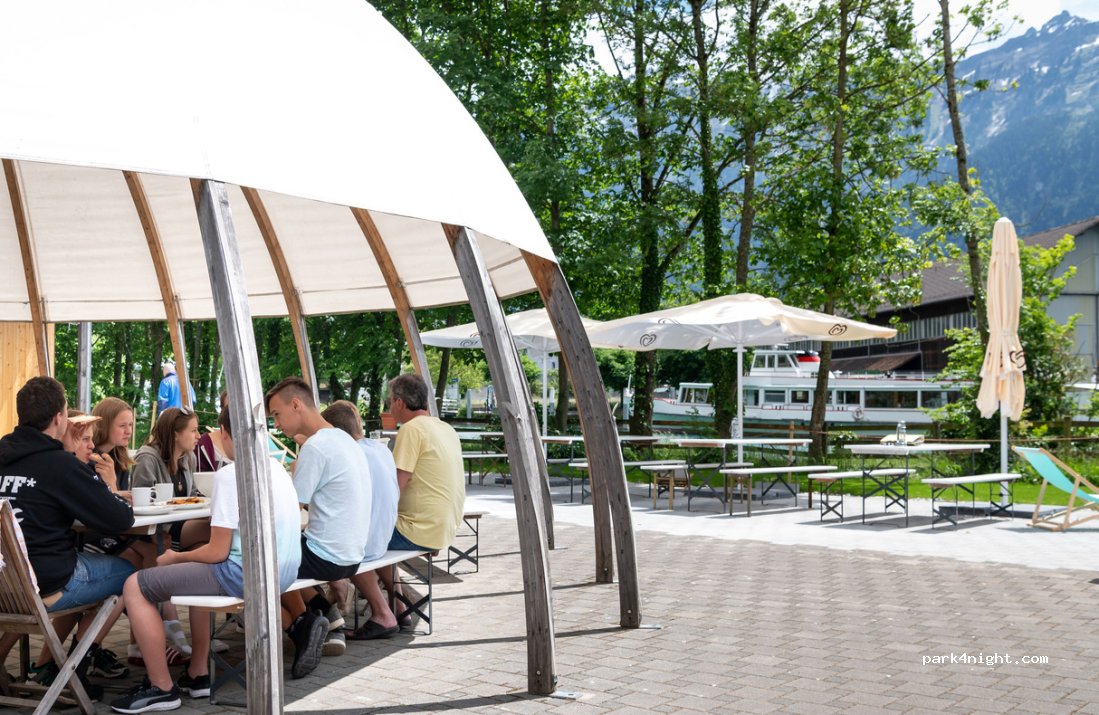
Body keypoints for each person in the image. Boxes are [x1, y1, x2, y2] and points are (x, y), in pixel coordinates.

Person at [110, 405, 303, 714]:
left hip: (244, 574)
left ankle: (161, 688)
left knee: (135, 586)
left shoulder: (230, 474)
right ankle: (198, 673)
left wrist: (176, 557)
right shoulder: (277, 468)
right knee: (198, 566)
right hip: (284, 572)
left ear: (223, 432)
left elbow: (217, 552)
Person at [0, 377, 136, 690]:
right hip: (46, 585)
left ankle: (48, 664)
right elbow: (119, 519)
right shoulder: (58, 464)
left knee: (87, 572)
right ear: (59, 417)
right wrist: (109, 486)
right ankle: (73, 670)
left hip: (5, 585)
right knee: (130, 574)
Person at [265, 377, 372, 678]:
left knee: (255, 558)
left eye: (276, 414)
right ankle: (322, 614)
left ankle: (303, 625)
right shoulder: (344, 440)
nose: (276, 424)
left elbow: (289, 509)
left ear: (295, 404)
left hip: (326, 556)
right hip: (353, 556)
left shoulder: (316, 447)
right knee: (279, 551)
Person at [374, 374, 464, 626]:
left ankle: (381, 612)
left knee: (359, 539)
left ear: (400, 402)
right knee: (376, 534)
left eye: (390, 401)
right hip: (443, 528)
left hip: (418, 530)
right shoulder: (446, 428)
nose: (389, 407)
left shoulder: (411, 430)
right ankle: (399, 605)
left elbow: (396, 486)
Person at [321, 401, 399, 645]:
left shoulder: (349, 455)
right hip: (385, 536)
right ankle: (400, 605)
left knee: (329, 548)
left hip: (366, 544)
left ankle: (382, 614)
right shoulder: (380, 449)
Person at [131, 407, 205, 661]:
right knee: (211, 532)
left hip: (177, 526)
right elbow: (140, 501)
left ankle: (200, 637)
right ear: (175, 434)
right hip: (154, 530)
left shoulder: (187, 458)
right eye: (193, 430)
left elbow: (192, 495)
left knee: (206, 546)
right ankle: (178, 633)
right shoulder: (148, 458)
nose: (198, 436)